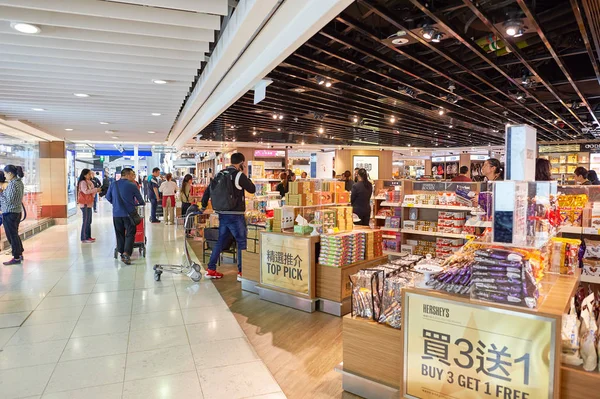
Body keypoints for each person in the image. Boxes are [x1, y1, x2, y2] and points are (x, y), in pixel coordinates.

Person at [201, 152, 256, 281]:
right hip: (235, 215)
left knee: (221, 240)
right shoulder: (238, 175)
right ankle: (242, 272)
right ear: (241, 163)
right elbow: (252, 189)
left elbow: (208, 191)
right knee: (242, 242)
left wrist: (203, 206)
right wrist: (246, 177)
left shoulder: (220, 174)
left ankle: (211, 269)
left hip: (222, 214)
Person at [106, 168, 145, 265]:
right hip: (129, 214)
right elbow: (141, 200)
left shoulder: (113, 184)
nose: (133, 177)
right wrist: (134, 204)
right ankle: (126, 253)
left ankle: (121, 252)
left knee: (119, 233)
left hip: (116, 214)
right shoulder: (132, 185)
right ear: (127, 175)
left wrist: (116, 204)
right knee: (130, 233)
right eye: (132, 175)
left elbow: (108, 197)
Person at [0, 165, 25, 265]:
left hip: (10, 213)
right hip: (16, 212)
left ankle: (16, 257)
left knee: (11, 235)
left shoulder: (12, 184)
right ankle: (19, 253)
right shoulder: (19, 183)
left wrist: (1, 194)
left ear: (10, 173)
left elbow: (9, 200)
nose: (5, 176)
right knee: (14, 234)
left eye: (5, 174)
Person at [77, 169, 101, 243]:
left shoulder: (90, 182)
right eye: (89, 174)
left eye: (91, 174)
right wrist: (96, 190)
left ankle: (88, 236)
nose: (90, 175)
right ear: (84, 175)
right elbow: (85, 191)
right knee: (86, 221)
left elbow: (92, 191)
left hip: (89, 204)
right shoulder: (83, 182)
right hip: (84, 204)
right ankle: (84, 238)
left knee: (89, 221)